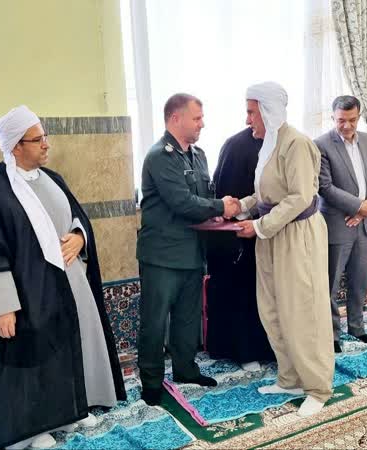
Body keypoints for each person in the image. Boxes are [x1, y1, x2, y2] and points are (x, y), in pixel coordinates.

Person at [0, 105, 126, 449]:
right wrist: (1, 307)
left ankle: (71, 411)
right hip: (25, 297)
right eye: (37, 139)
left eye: (45, 136)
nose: (46, 144)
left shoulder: (53, 179)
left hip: (66, 289)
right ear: (16, 146)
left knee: (68, 352)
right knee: (31, 362)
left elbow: (77, 218)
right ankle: (32, 430)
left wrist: (80, 236)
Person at [236, 81, 334, 418]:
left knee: (303, 311)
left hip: (297, 236)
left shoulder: (297, 144)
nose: (248, 119)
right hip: (272, 236)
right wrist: (241, 207)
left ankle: (317, 388)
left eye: (251, 112)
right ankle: (290, 378)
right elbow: (267, 195)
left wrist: (258, 226)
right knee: (274, 308)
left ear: (268, 110)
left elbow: (300, 197)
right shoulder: (269, 146)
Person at [136, 93, 241, 406]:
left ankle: (185, 369)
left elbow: (202, 200)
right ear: (175, 118)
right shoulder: (159, 156)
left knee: (187, 318)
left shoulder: (199, 155)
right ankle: (151, 382)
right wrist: (220, 206)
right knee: (155, 321)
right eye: (196, 118)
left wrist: (216, 212)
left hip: (192, 253)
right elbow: (181, 202)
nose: (202, 124)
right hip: (162, 256)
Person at [315, 95, 367, 353]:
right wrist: (358, 206)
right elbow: (324, 187)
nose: (346, 125)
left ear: (359, 116)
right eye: (341, 120)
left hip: (364, 225)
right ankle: (331, 335)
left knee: (360, 280)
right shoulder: (321, 145)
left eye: (352, 120)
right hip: (337, 224)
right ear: (333, 117)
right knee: (330, 284)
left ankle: (357, 328)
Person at [206, 128, 275, 370]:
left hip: (270, 233)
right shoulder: (237, 146)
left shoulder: (285, 143)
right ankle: (245, 351)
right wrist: (244, 217)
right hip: (240, 238)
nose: (249, 120)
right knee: (242, 294)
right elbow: (230, 197)